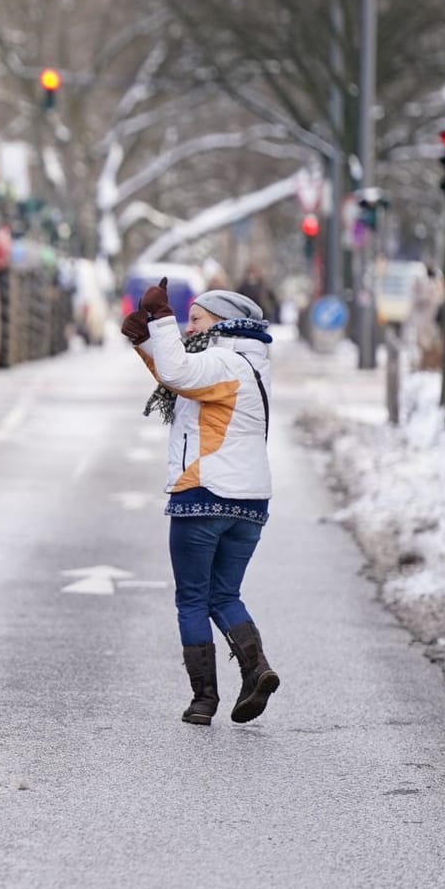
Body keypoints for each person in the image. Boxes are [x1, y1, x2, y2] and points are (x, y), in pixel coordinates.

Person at [122, 279, 282, 726]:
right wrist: (144, 340)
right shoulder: (247, 362)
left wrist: (160, 319)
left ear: (222, 321)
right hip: (250, 505)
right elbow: (180, 377)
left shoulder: (224, 359)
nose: (188, 328)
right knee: (224, 594)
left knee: (193, 599)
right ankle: (256, 670)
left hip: (204, 495)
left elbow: (179, 373)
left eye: (195, 319)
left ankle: (203, 699)